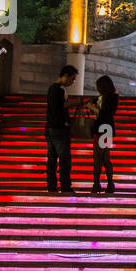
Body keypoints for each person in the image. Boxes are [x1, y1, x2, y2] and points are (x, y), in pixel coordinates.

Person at [46, 65, 79, 193]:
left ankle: (52, 186)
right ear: (65, 75)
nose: (73, 82)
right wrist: (76, 103)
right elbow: (60, 106)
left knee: (52, 160)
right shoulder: (58, 89)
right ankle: (65, 186)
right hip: (59, 129)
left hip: (51, 128)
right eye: (72, 79)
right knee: (64, 159)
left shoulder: (54, 89)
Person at [90, 75, 119, 194]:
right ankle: (108, 184)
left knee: (99, 158)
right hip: (104, 129)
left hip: (103, 129)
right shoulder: (103, 98)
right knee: (103, 158)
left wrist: (93, 108)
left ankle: (98, 184)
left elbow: (105, 114)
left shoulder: (111, 98)